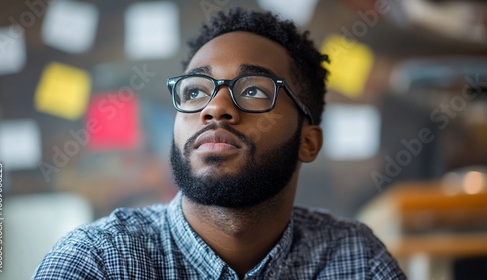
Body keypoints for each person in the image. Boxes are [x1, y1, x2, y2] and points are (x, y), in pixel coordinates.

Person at [32, 8, 406, 279]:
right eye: (195, 90)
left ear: (308, 142)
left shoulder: (356, 259)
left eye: (255, 90)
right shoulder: (98, 263)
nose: (215, 108)